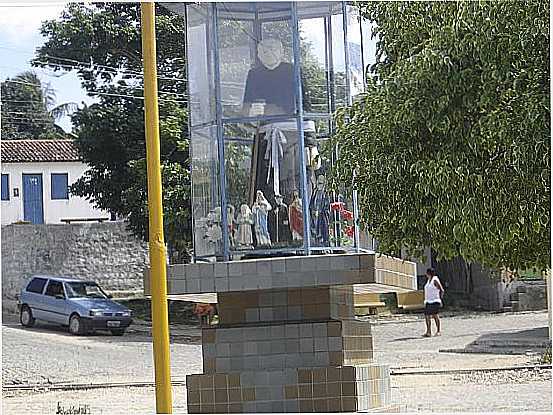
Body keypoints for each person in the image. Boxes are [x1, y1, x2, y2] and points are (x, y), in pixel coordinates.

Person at [423, 268, 444, 337]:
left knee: (435, 315)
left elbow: (441, 290)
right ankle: (428, 331)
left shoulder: (435, 280)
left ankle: (438, 331)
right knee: (427, 316)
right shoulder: (428, 281)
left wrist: (440, 299)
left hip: (435, 300)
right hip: (428, 301)